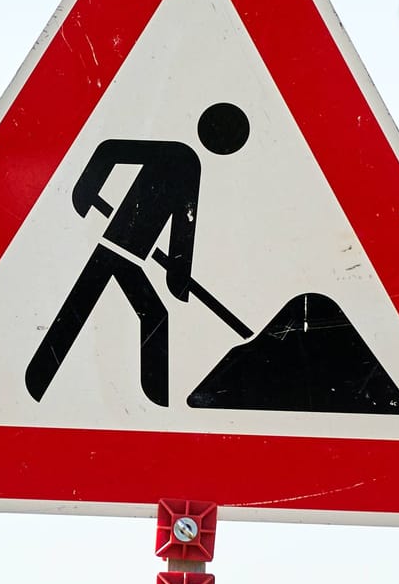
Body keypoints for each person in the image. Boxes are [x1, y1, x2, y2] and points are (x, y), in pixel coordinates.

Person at [24, 102, 250, 406]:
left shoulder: (184, 160)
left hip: (125, 254)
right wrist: (85, 192)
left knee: (90, 306)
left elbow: (183, 227)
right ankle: (156, 401)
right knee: (143, 313)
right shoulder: (181, 158)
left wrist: (178, 275)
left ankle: (38, 379)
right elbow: (111, 150)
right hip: (117, 249)